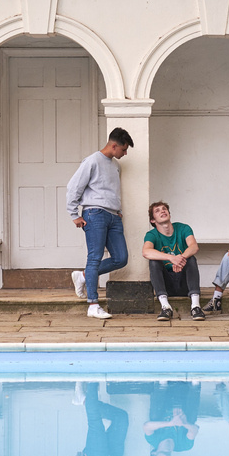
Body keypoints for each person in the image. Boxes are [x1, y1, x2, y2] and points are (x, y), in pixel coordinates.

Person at [67, 128, 133, 319]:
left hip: (113, 216)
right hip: (94, 213)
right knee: (94, 257)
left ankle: (83, 276)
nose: (125, 153)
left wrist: (118, 212)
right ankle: (93, 305)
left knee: (121, 258)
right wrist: (74, 214)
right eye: (124, 149)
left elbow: (111, 191)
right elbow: (73, 188)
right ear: (114, 145)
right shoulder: (92, 161)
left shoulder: (115, 166)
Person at [142, 201, 204, 322]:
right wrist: (171, 258)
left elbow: (193, 246)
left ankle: (196, 306)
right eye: (157, 210)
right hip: (167, 284)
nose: (162, 211)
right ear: (153, 221)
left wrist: (181, 259)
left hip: (184, 281)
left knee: (191, 258)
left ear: (169, 213)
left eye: (164, 209)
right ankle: (165, 307)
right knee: (153, 262)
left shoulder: (183, 228)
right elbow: (146, 252)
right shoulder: (151, 235)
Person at [143, 381, 201, 456]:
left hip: (165, 398)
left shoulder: (153, 440)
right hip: (185, 399)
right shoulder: (184, 446)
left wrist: (171, 423)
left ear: (154, 454)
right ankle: (195, 385)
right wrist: (183, 423)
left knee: (154, 418)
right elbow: (195, 430)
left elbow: (146, 426)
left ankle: (162, 384)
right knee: (191, 421)